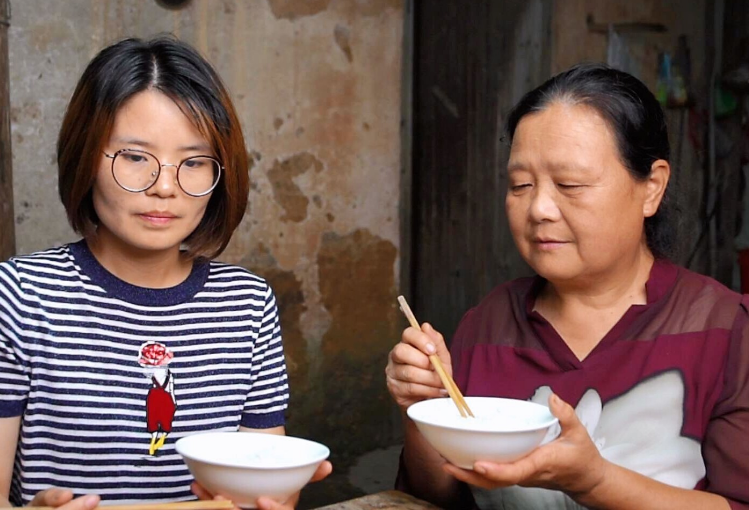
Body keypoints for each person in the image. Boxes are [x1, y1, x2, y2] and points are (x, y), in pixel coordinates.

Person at [386, 63, 749, 509]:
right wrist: (423, 409)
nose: (538, 207)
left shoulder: (728, 330)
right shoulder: (488, 324)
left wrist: (596, 482)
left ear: (651, 187)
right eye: (520, 184)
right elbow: (434, 496)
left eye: (570, 184)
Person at [0, 36, 331, 510]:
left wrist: (278, 492)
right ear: (84, 155)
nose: (166, 187)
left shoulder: (248, 304)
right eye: (135, 157)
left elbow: (261, 488)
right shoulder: (19, 296)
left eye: (194, 162)